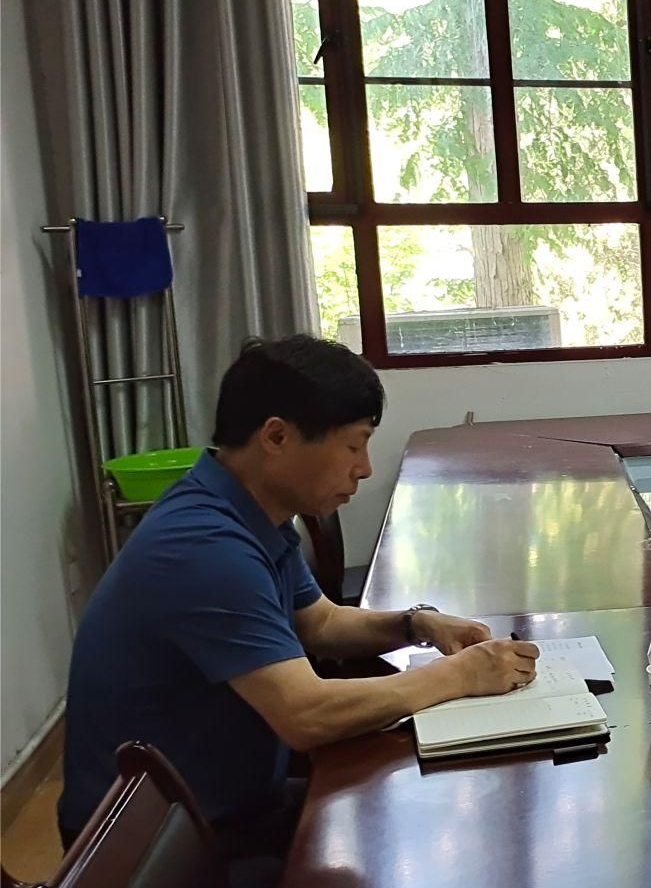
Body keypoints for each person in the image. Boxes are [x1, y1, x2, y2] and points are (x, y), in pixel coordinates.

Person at [60, 336, 538, 860]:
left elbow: (320, 624)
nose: (365, 467)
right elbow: (306, 715)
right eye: (353, 445)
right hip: (157, 861)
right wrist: (459, 676)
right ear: (277, 436)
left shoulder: (246, 510)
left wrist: (417, 624)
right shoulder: (205, 548)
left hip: (220, 809)